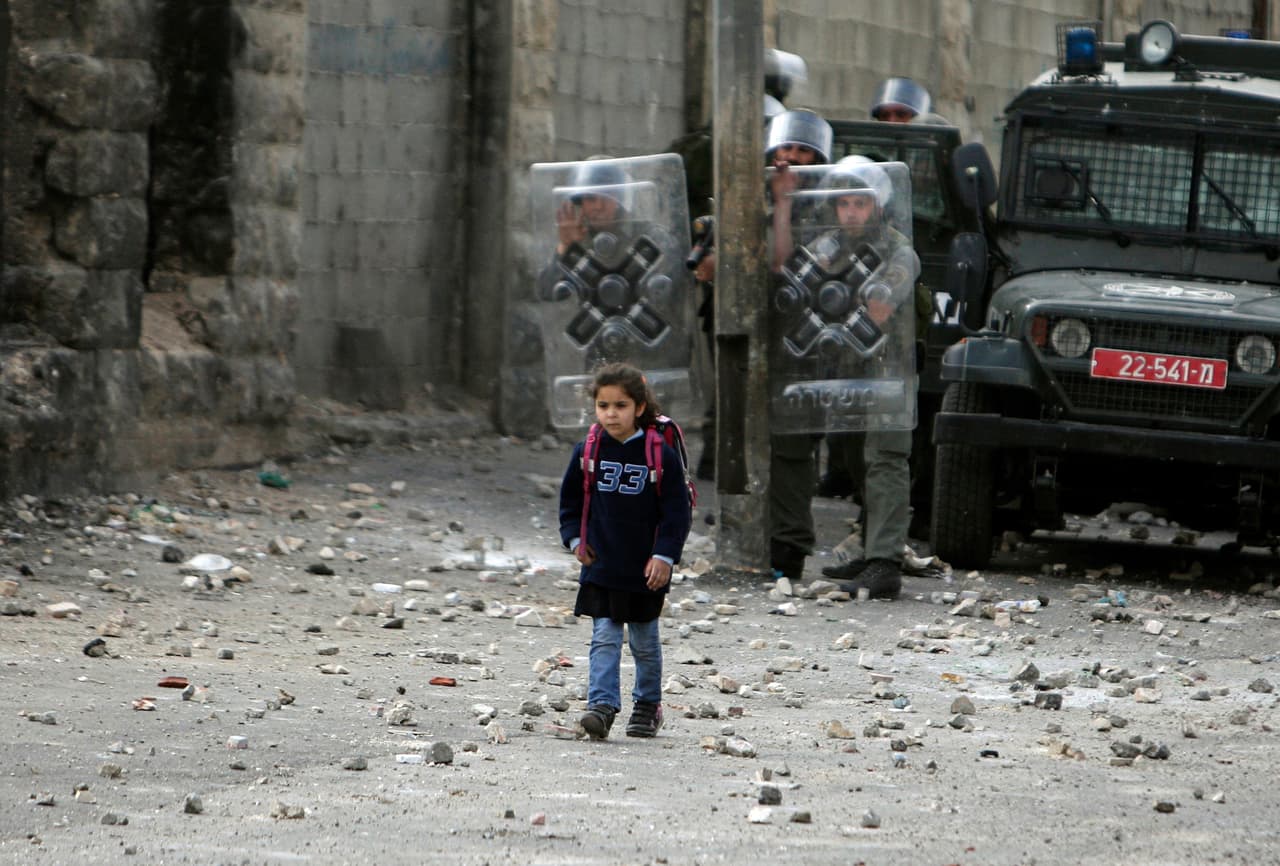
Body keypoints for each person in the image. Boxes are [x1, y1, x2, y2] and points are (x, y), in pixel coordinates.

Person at [670, 49, 807, 480]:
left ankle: (729, 462)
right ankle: (724, 463)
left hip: (764, 294)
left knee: (738, 383)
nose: (787, 154)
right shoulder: (728, 165)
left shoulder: (711, 151)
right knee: (729, 379)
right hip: (727, 287)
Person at [559, 362, 692, 739]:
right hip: (601, 563)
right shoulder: (587, 450)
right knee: (604, 636)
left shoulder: (658, 455)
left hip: (645, 567)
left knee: (644, 641)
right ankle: (601, 707)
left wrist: (664, 556)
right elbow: (569, 503)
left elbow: (676, 514)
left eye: (620, 405)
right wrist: (574, 541)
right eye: (603, 406)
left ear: (638, 406)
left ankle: (648, 705)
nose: (611, 414)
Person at [804, 157, 917, 600]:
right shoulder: (827, 247)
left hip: (888, 369)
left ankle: (885, 561)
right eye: (844, 204)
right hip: (845, 371)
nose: (851, 213)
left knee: (886, 460)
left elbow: (882, 307)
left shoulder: (897, 250)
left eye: (860, 204)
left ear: (878, 207)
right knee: (853, 459)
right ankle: (872, 548)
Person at [763, 108, 833, 580]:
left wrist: (785, 206)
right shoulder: (749, 200)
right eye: (785, 148)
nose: (792, 158)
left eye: (802, 150)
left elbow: (781, 264)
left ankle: (788, 547)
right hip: (756, 338)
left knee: (792, 449)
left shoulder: (834, 208)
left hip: (807, 345)